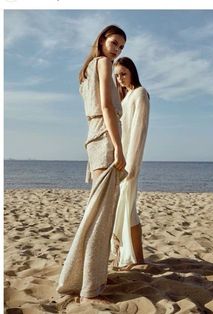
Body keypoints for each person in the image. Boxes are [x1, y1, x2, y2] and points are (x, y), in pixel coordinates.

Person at [56, 25, 127, 305]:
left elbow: (99, 106)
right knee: (100, 214)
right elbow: (107, 109)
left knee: (98, 210)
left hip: (93, 136)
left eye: (121, 47)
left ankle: (90, 277)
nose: (117, 49)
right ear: (102, 40)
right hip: (105, 138)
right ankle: (88, 288)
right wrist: (119, 147)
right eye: (114, 42)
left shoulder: (85, 71)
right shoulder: (103, 63)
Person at [112, 57, 150, 270]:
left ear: (132, 72)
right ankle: (135, 257)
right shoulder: (125, 98)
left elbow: (139, 130)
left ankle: (136, 258)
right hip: (119, 161)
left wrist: (132, 166)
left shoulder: (140, 94)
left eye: (123, 74)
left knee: (128, 208)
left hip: (129, 163)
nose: (120, 79)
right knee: (127, 209)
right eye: (117, 76)